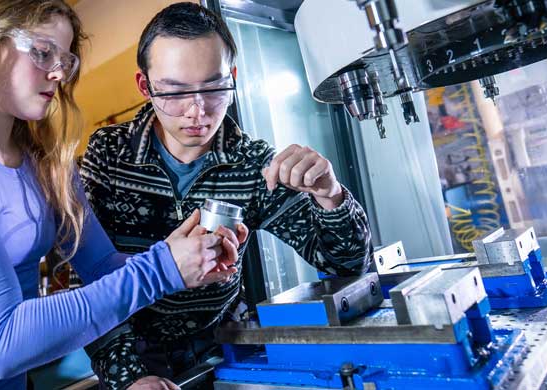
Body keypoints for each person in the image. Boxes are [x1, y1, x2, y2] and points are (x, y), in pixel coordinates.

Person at [0, 1, 246, 388]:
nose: (58, 72)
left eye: (66, 59)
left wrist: (188, 254)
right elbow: (1, 344)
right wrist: (162, 269)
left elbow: (103, 265)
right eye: (42, 52)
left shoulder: (46, 165)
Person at [79, 3, 373, 389]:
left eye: (214, 87)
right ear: (145, 86)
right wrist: (130, 377)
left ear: (232, 79)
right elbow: (86, 281)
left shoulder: (252, 164)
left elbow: (345, 265)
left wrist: (331, 196)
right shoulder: (109, 154)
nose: (196, 112)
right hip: (132, 348)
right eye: (175, 92)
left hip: (225, 349)